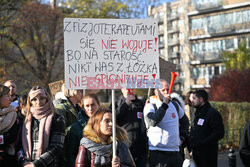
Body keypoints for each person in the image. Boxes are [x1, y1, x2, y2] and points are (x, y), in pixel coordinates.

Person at [143, 79, 189, 167]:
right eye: (163, 90)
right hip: (158, 153)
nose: (166, 92)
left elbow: (185, 122)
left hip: (175, 153)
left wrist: (182, 137)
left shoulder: (175, 105)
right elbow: (152, 122)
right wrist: (164, 105)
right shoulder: (151, 105)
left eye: (168, 89)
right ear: (156, 91)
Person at [18, 86, 65, 167]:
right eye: (34, 99)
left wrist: (36, 164)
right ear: (30, 102)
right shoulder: (26, 120)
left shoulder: (57, 118)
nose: (38, 102)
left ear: (47, 99)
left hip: (50, 164)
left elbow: (57, 146)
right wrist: (24, 162)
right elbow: (19, 145)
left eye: (42, 98)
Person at [189, 89, 224, 167]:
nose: (192, 101)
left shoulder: (213, 114)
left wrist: (202, 143)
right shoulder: (196, 113)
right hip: (196, 155)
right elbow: (194, 130)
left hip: (208, 155)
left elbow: (219, 133)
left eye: (194, 98)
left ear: (201, 99)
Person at [114, 88, 147, 167]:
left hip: (140, 149)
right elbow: (113, 118)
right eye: (127, 89)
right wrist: (125, 104)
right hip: (124, 147)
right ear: (122, 90)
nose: (130, 91)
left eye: (132, 88)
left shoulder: (141, 103)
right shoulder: (117, 103)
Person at [66, 93, 100, 167]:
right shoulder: (76, 127)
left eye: (93, 105)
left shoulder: (107, 124)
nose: (90, 108)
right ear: (83, 108)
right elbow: (71, 153)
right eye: (87, 106)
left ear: (98, 105)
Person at [0, 84, 22, 167]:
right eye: (7, 95)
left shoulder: (13, 114)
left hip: (7, 158)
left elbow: (12, 136)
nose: (10, 98)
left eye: (10, 95)